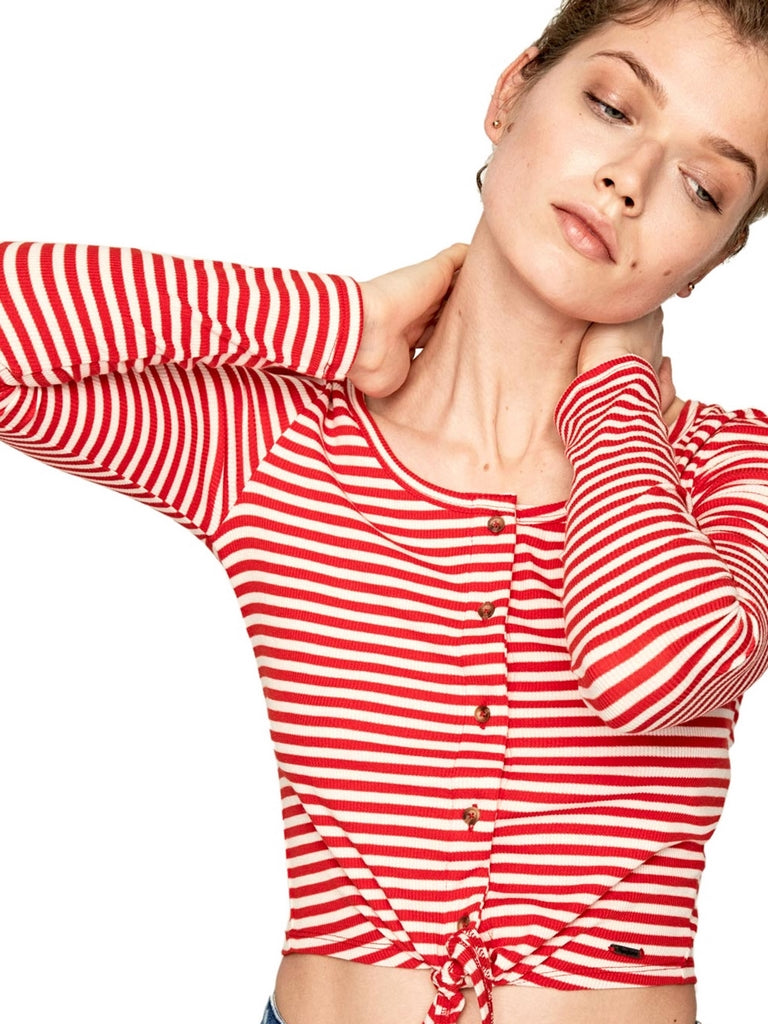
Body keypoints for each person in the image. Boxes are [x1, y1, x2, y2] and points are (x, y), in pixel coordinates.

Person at [1, 1, 767, 1022]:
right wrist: (341, 321)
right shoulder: (282, 443)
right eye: (612, 105)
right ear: (511, 93)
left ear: (714, 256)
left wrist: (614, 401)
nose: (629, 182)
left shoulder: (730, 467)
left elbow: (650, 670)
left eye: (703, 187)